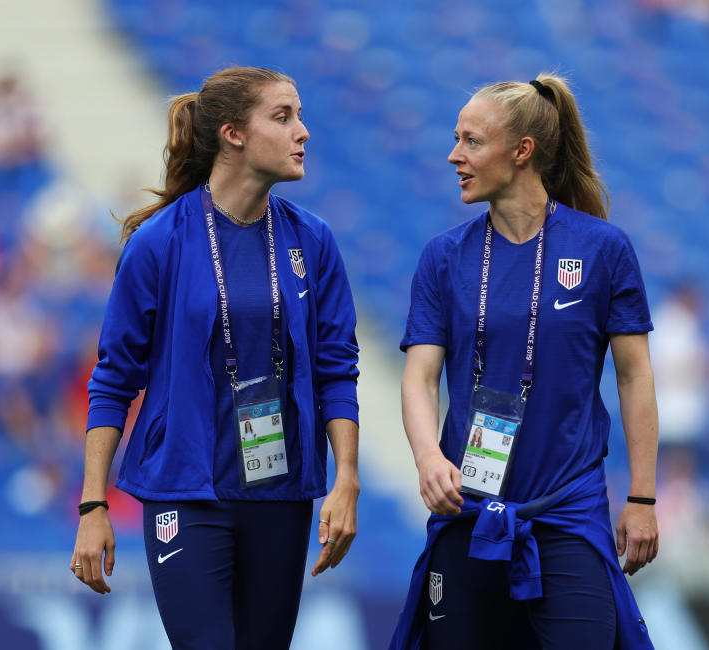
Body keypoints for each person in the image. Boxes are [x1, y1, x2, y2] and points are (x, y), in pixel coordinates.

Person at [70, 67, 361, 650]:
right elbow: (113, 381)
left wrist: (346, 477)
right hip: (186, 492)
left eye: (299, 115)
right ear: (232, 134)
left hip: (282, 493)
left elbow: (337, 367)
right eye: (283, 117)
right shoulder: (158, 242)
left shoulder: (314, 241)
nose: (302, 131)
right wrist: (94, 504)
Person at [391, 74, 659, 649]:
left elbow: (635, 376)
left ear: (522, 151)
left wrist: (642, 496)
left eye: (471, 141)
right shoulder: (443, 257)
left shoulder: (603, 249)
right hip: (468, 511)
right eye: (455, 139)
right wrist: (428, 459)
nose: (454, 155)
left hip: (567, 514)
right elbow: (420, 376)